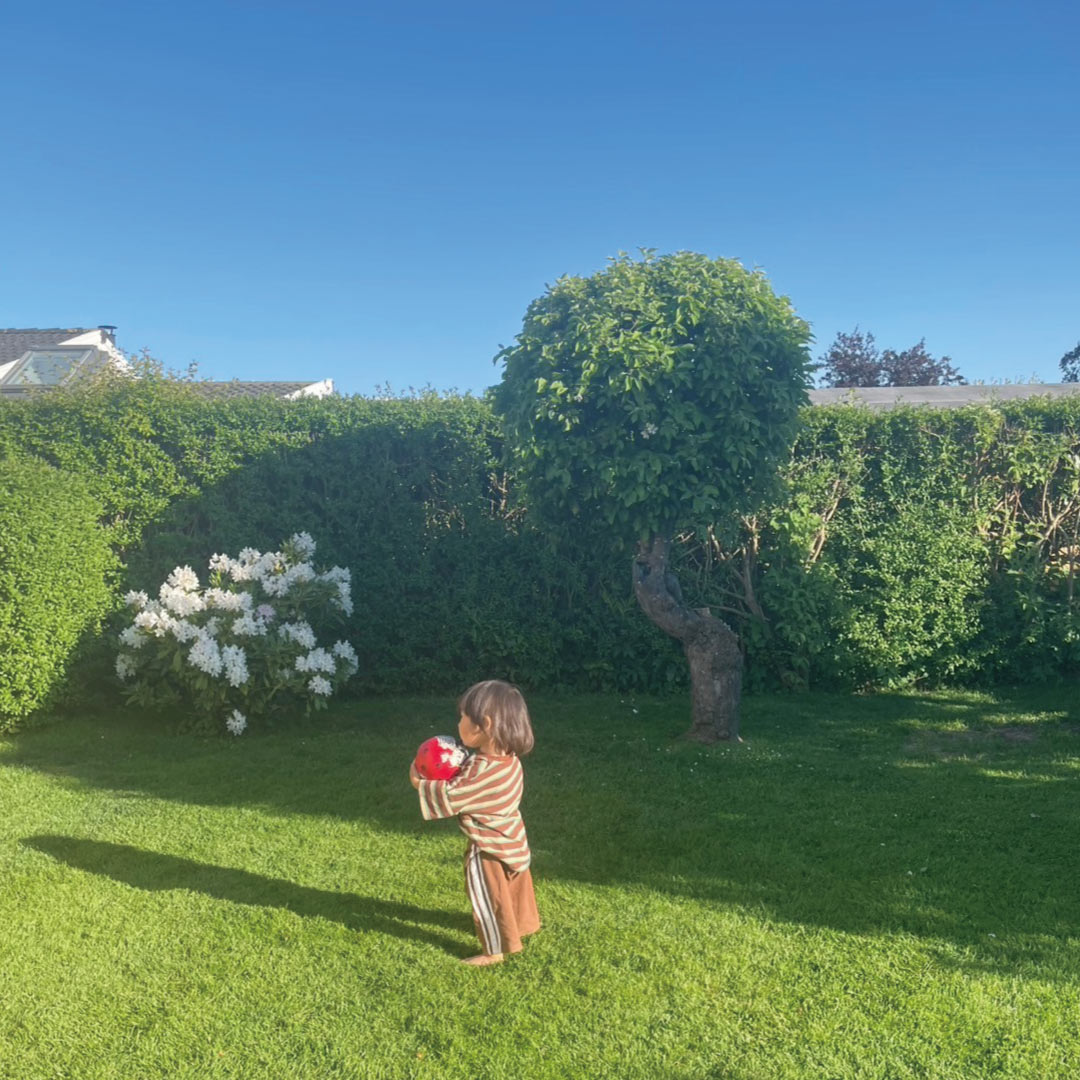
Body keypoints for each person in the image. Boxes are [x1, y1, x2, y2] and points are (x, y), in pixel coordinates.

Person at [410, 679, 540, 966]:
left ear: (485, 725)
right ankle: (521, 924)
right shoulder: (508, 760)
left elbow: (453, 796)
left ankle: (494, 951)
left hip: (488, 846)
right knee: (514, 888)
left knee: (487, 897)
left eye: (463, 717)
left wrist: (419, 781)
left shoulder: (481, 770)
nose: (458, 723)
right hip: (512, 837)